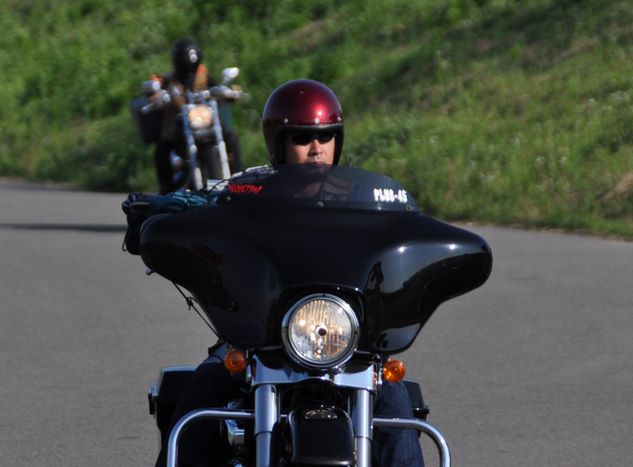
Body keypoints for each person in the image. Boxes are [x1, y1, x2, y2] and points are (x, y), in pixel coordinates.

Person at [124, 79, 424, 467]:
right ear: (277, 142)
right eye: (301, 137)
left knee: (396, 406)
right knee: (205, 386)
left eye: (326, 136)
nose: (316, 148)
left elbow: (406, 234)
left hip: (346, 341)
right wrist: (159, 214)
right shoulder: (247, 195)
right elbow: (198, 206)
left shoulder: (367, 203)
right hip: (259, 339)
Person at [149, 38, 242, 193]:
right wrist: (157, 97)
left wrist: (227, 93)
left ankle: (239, 182)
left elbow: (218, 89)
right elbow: (157, 91)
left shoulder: (204, 76)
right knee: (163, 145)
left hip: (205, 120)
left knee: (231, 138)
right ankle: (165, 187)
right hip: (181, 123)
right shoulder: (170, 80)